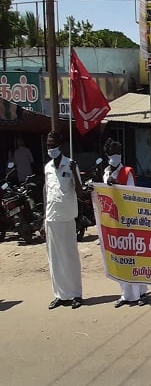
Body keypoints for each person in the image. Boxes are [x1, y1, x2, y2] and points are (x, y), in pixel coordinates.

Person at [103, 138, 149, 307]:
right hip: (114, 221)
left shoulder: (127, 172)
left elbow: (131, 195)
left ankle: (140, 293)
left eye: (118, 153)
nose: (116, 156)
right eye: (113, 153)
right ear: (107, 155)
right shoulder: (106, 172)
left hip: (128, 219)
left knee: (133, 257)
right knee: (119, 257)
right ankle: (126, 294)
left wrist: (117, 185)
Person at [44, 131, 83, 309]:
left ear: (60, 145)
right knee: (54, 258)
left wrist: (74, 172)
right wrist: (43, 218)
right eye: (48, 145)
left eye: (52, 145)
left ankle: (75, 294)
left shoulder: (70, 164)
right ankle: (60, 295)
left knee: (70, 257)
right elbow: (47, 193)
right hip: (51, 217)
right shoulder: (47, 167)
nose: (49, 148)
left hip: (67, 217)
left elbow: (80, 192)